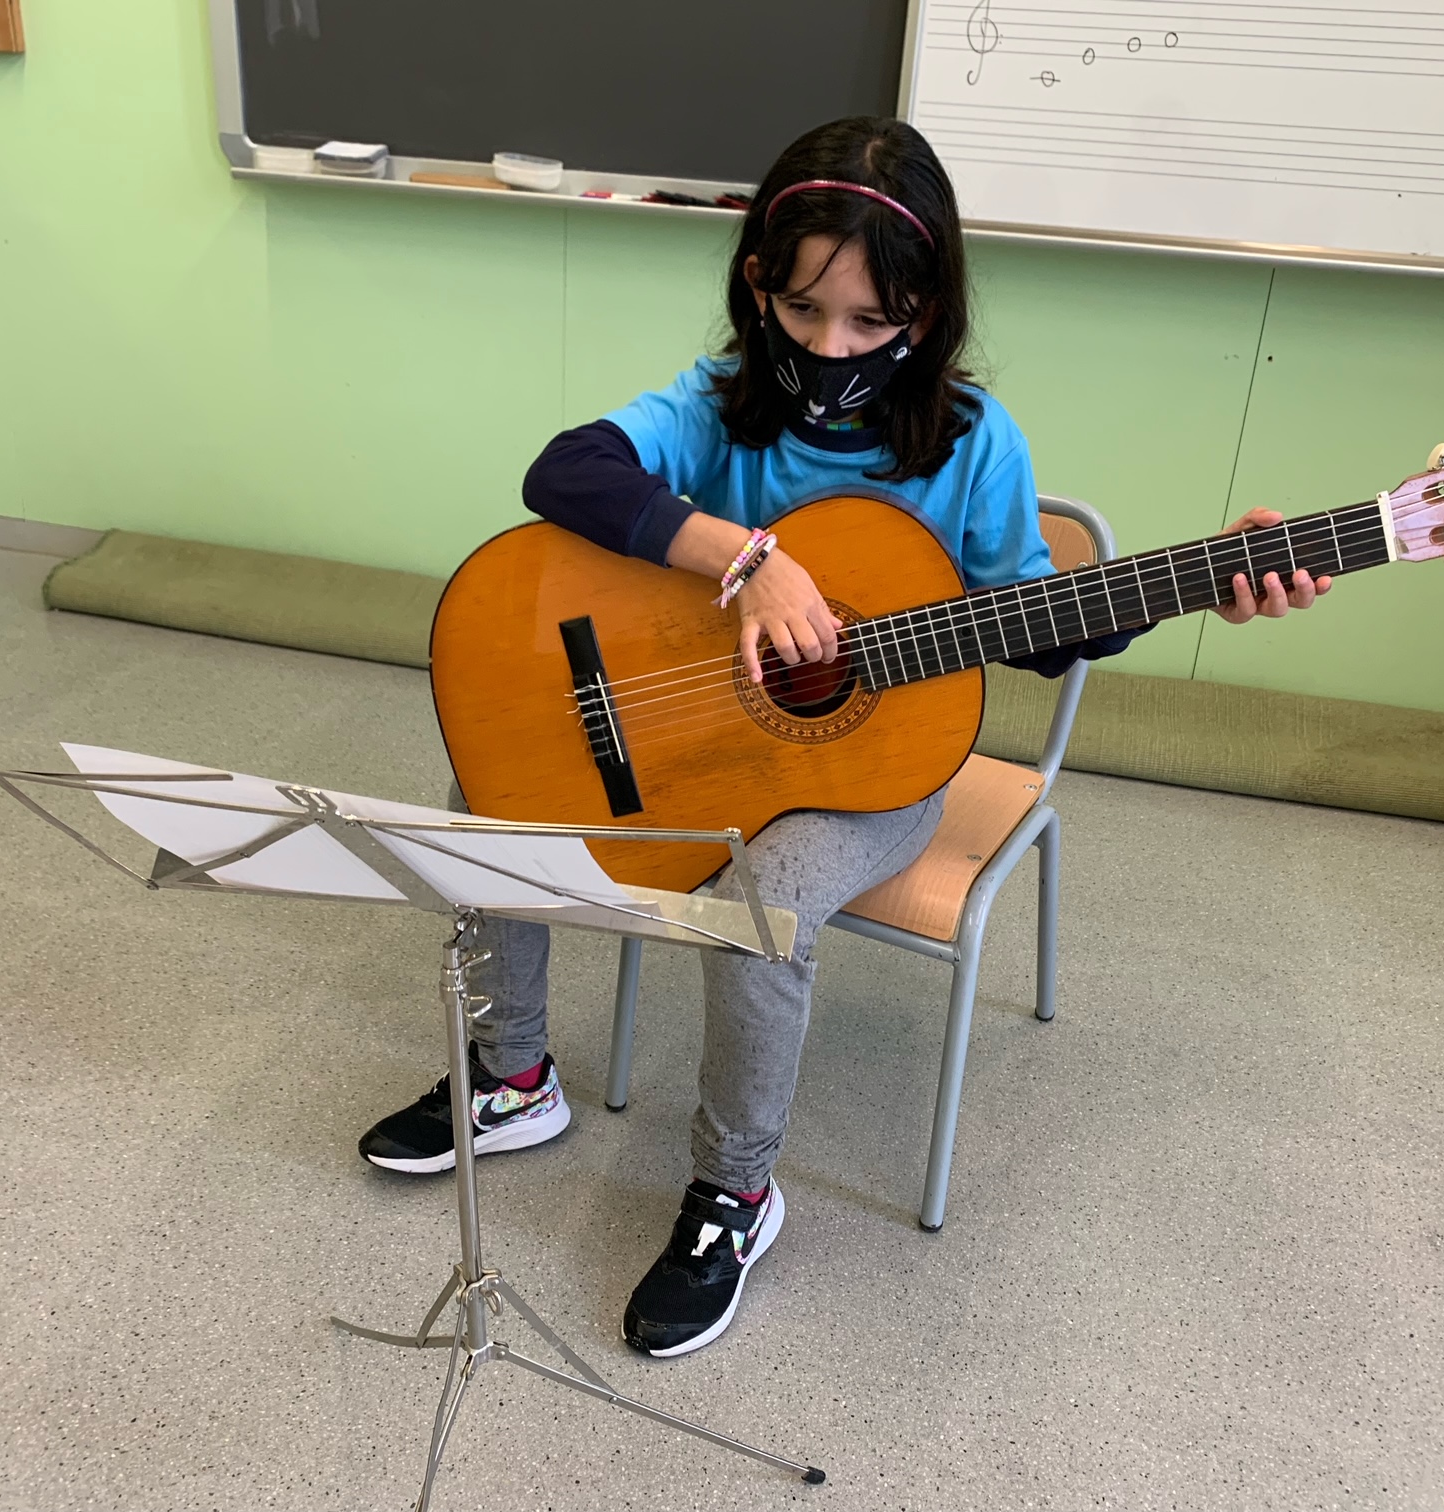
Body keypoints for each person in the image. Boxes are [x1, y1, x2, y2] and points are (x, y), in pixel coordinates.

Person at [359, 117, 1327, 1358]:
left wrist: (1196, 586)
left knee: (762, 901)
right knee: (492, 776)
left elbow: (1036, 626)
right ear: (758, 281)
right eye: (803, 308)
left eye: (871, 322)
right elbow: (568, 473)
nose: (828, 348)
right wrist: (748, 561)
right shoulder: (718, 403)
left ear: (928, 310)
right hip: (711, 733)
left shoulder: (974, 442)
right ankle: (513, 1076)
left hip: (878, 775)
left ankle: (736, 1191)